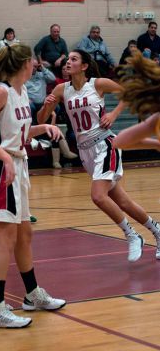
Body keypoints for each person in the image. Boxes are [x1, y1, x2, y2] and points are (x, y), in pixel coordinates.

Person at [0, 43, 66, 329]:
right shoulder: (0, 91)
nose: (36, 65)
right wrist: (5, 158)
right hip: (2, 168)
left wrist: (43, 129)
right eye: (33, 62)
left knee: (25, 233)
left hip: (16, 164)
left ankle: (32, 295)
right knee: (6, 239)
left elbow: (17, 133)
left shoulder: (22, 91)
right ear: (24, 63)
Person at [37, 49, 160, 263]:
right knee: (123, 202)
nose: (68, 62)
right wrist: (47, 106)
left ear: (84, 66)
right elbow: (41, 120)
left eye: (73, 59)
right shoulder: (60, 89)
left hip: (105, 144)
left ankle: (132, 235)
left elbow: (127, 93)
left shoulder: (97, 84)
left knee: (98, 196)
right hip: (86, 152)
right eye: (67, 59)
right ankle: (158, 231)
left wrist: (113, 114)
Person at [114, 51, 160, 151]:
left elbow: (119, 142)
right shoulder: (156, 119)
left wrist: (157, 144)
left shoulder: (156, 119)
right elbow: (119, 142)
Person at [25, 58, 56, 124]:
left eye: (36, 66)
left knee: (56, 106)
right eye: (32, 66)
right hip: (30, 102)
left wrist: (43, 68)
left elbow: (53, 79)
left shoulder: (42, 75)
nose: (34, 68)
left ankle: (47, 130)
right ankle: (32, 127)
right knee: (30, 107)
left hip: (42, 102)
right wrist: (26, 99)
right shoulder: (24, 76)